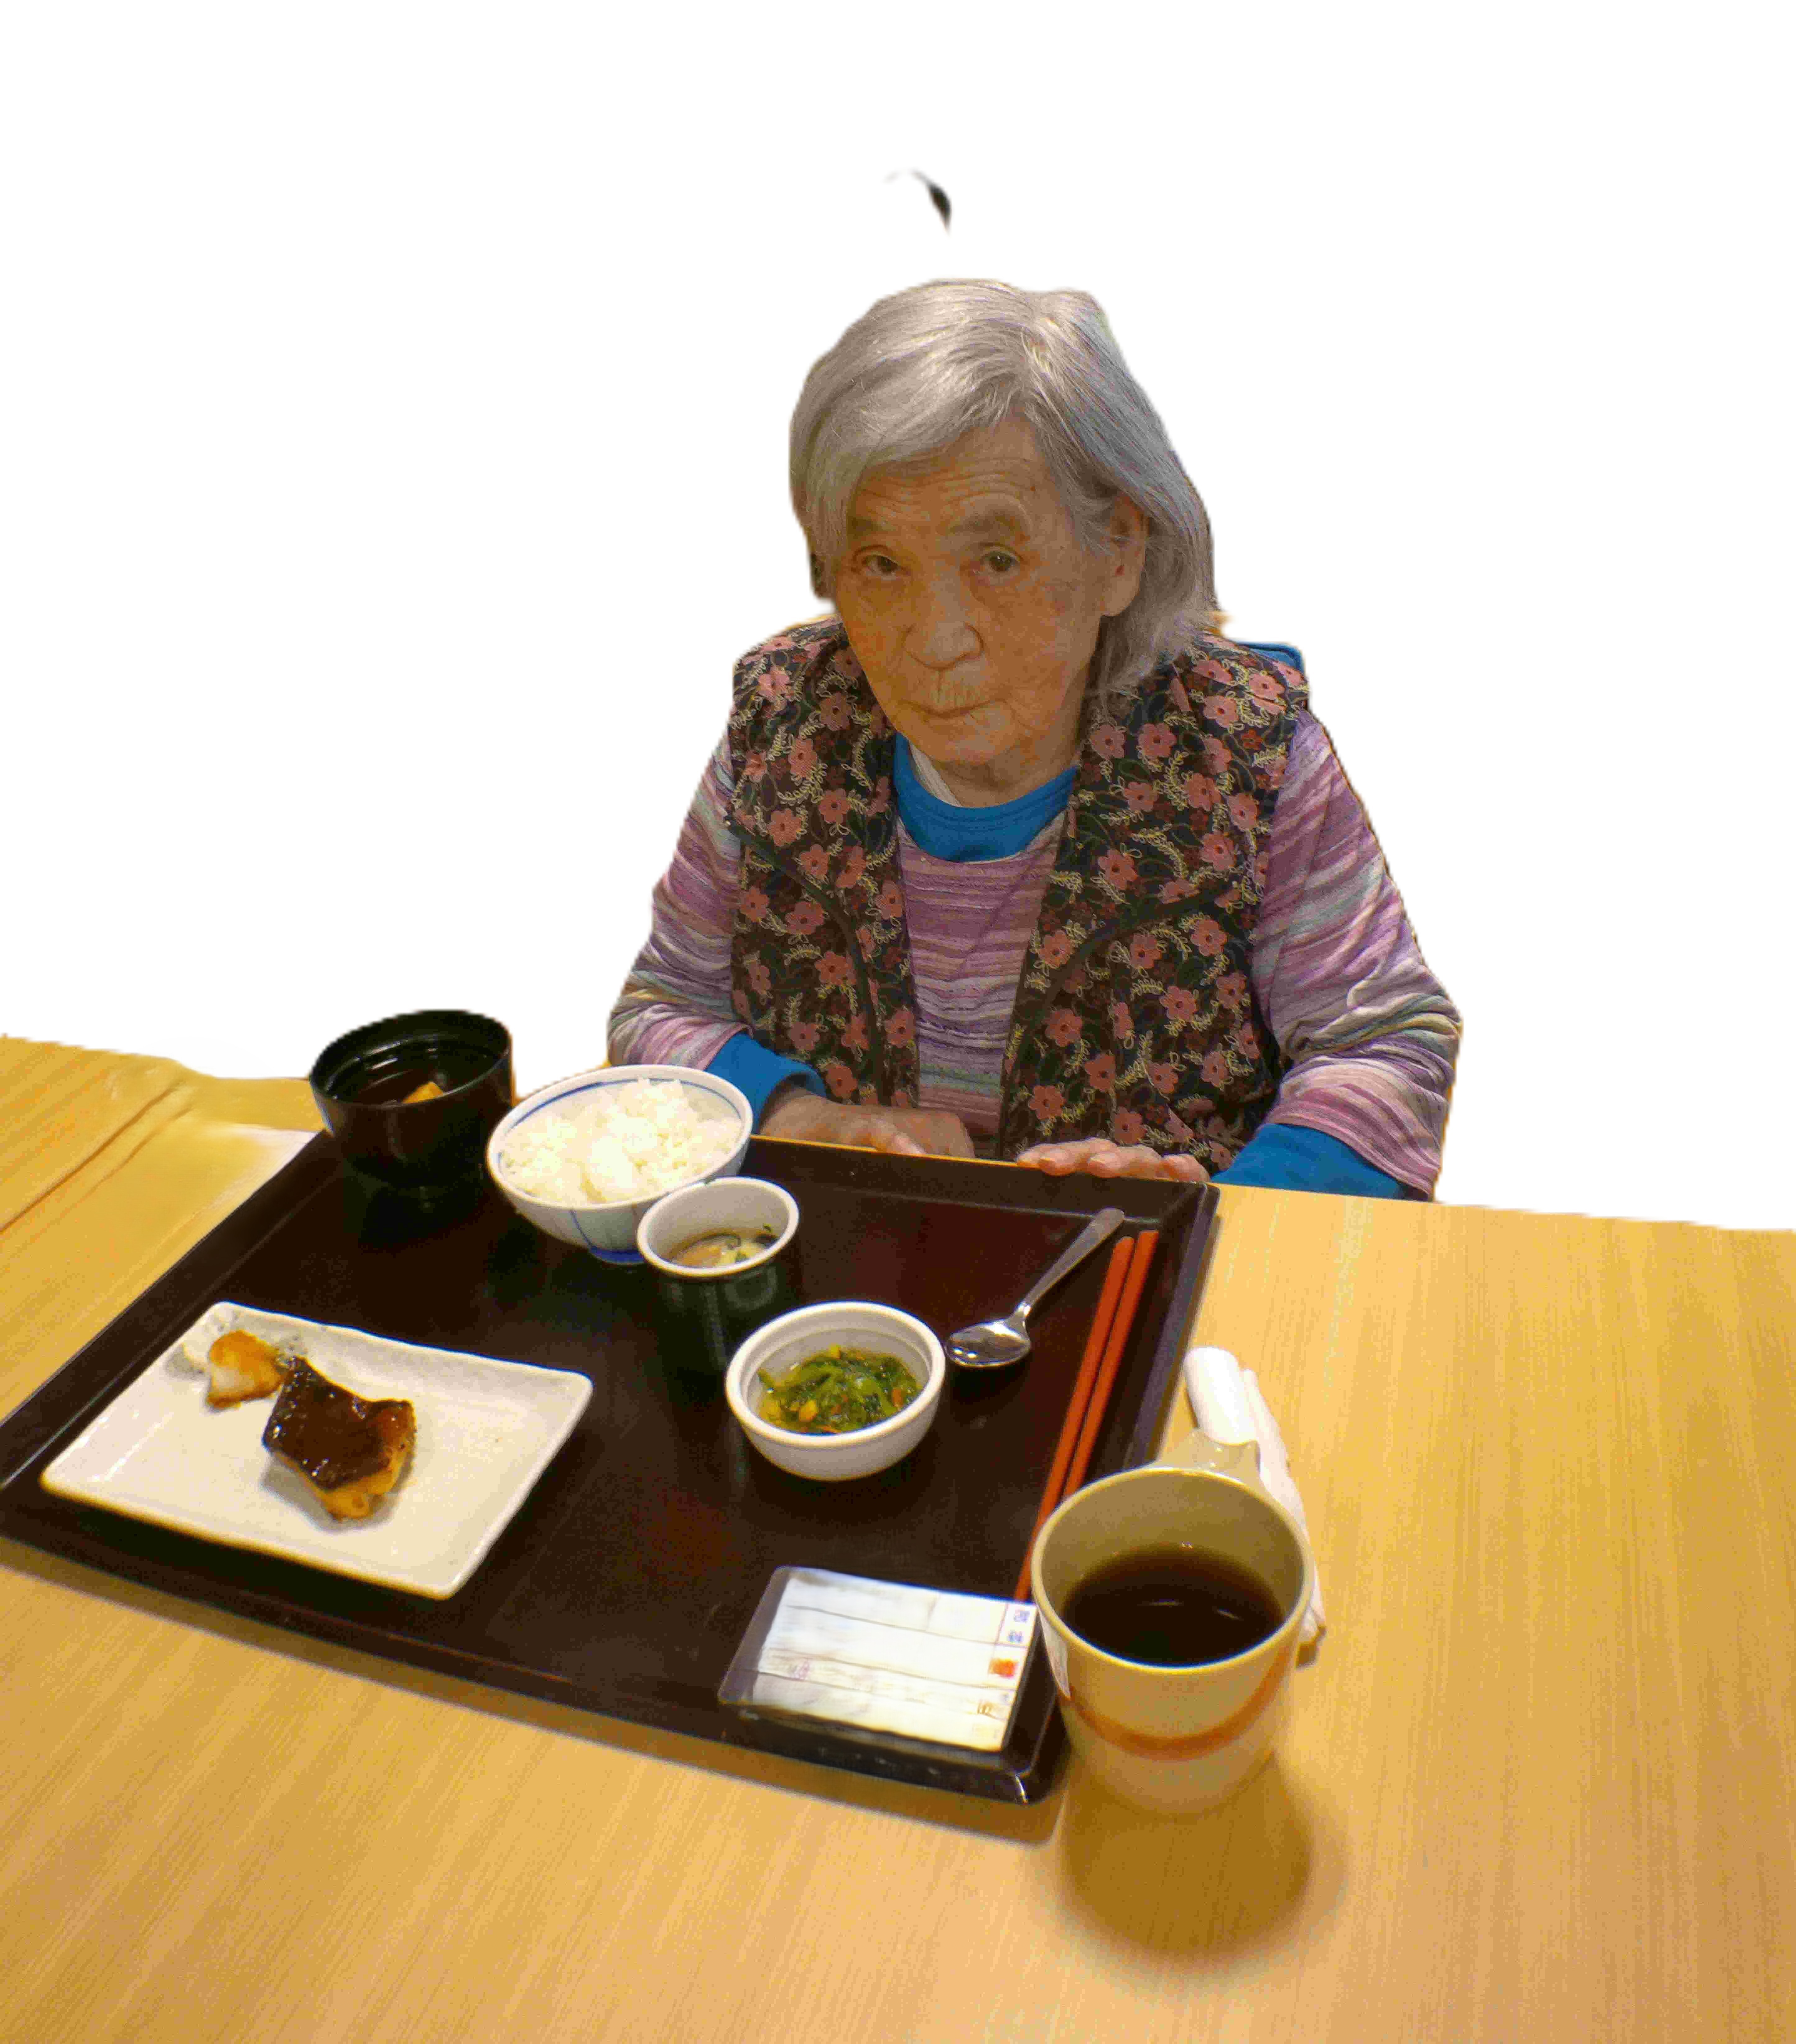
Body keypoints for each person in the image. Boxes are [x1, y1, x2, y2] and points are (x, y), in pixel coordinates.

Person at [609, 281, 1461, 1196]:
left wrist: (1217, 1210)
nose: (937, 639)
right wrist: (792, 1115)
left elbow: (1384, 1047)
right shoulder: (783, 724)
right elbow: (664, 1007)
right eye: (881, 564)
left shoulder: (1244, 755)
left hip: (1157, 1271)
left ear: (1118, 551)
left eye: (998, 561)